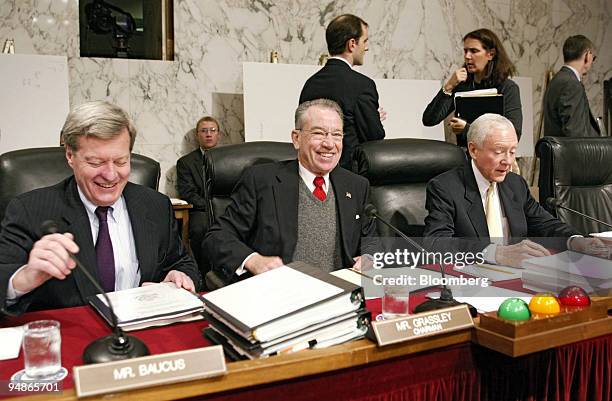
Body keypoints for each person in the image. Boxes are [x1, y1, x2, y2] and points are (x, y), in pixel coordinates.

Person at [0, 101, 201, 314]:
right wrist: (24, 278)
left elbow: (181, 262)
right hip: (72, 336)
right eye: (96, 162)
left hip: (143, 333)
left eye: (121, 161)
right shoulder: (29, 210)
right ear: (70, 156)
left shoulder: (155, 205)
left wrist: (178, 279)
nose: (111, 175)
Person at [203, 99, 377, 284]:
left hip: (340, 293)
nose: (329, 144)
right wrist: (253, 260)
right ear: (296, 138)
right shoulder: (261, 180)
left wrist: (370, 257)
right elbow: (217, 237)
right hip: (283, 294)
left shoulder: (356, 185)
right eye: (319, 133)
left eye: (336, 135)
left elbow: (372, 241)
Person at [423, 113, 606, 268]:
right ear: (473, 150)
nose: (508, 161)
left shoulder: (514, 184)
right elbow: (435, 243)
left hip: (519, 277)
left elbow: (544, 224)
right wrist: (496, 253)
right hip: (473, 281)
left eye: (512, 151)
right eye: (499, 151)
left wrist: (575, 240)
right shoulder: (445, 187)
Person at [299, 14, 385, 170]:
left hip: (313, 172)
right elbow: (374, 138)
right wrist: (374, 119)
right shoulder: (363, 85)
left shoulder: (310, 84)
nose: (366, 47)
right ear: (352, 44)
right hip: (350, 177)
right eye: (364, 41)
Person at [422, 28, 522, 148]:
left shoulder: (507, 88)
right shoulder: (462, 86)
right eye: (465, 51)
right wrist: (449, 86)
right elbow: (429, 120)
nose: (467, 56)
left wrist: (467, 129)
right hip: (466, 160)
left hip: (495, 159)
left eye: (474, 51)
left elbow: (514, 134)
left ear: (491, 54)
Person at [176, 116, 221, 278]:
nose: (208, 134)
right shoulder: (185, 162)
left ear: (219, 135)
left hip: (226, 209)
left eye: (212, 130)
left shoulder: (230, 158)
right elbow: (187, 193)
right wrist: (210, 207)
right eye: (204, 131)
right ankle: (204, 274)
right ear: (197, 135)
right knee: (200, 228)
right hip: (201, 210)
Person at [543, 35, 601, 137]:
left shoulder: (556, 80)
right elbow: (575, 133)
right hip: (572, 152)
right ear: (587, 55)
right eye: (593, 58)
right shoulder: (571, 84)